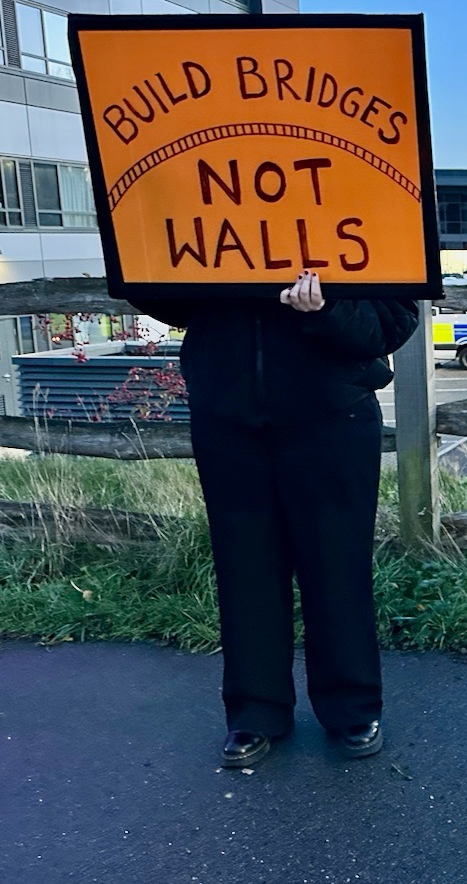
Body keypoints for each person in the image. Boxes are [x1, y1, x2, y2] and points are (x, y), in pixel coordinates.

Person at [135, 271, 419, 767]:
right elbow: (163, 298)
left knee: (338, 564)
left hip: (333, 413)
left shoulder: (365, 210)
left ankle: (351, 706)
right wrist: (164, 266)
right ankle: (254, 711)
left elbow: (389, 324)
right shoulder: (204, 202)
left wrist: (326, 309)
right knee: (244, 566)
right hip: (227, 415)